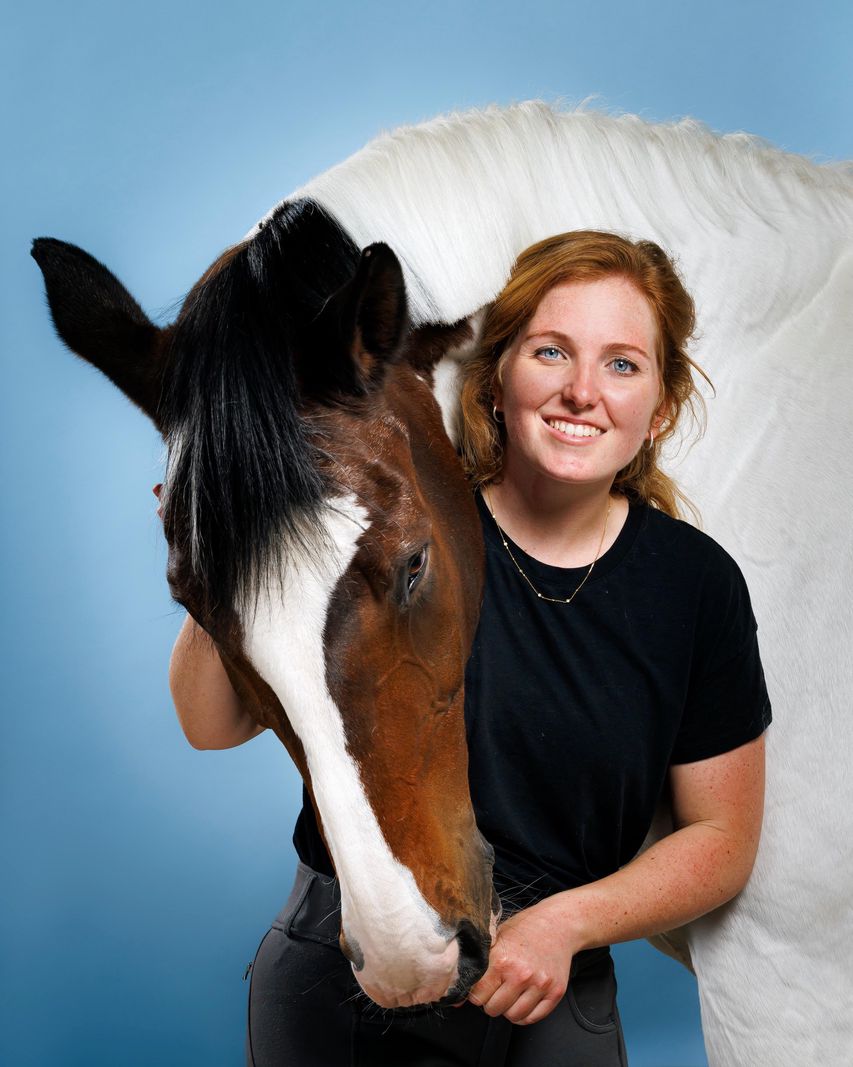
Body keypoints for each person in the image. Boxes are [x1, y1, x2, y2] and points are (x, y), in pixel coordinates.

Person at [167, 230, 771, 1066]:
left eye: (623, 364)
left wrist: (567, 922)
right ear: (496, 382)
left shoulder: (695, 587)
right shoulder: (391, 526)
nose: (581, 391)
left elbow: (721, 840)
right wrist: (228, 536)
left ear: (660, 407)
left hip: (547, 978)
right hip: (343, 962)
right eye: (551, 351)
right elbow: (209, 723)